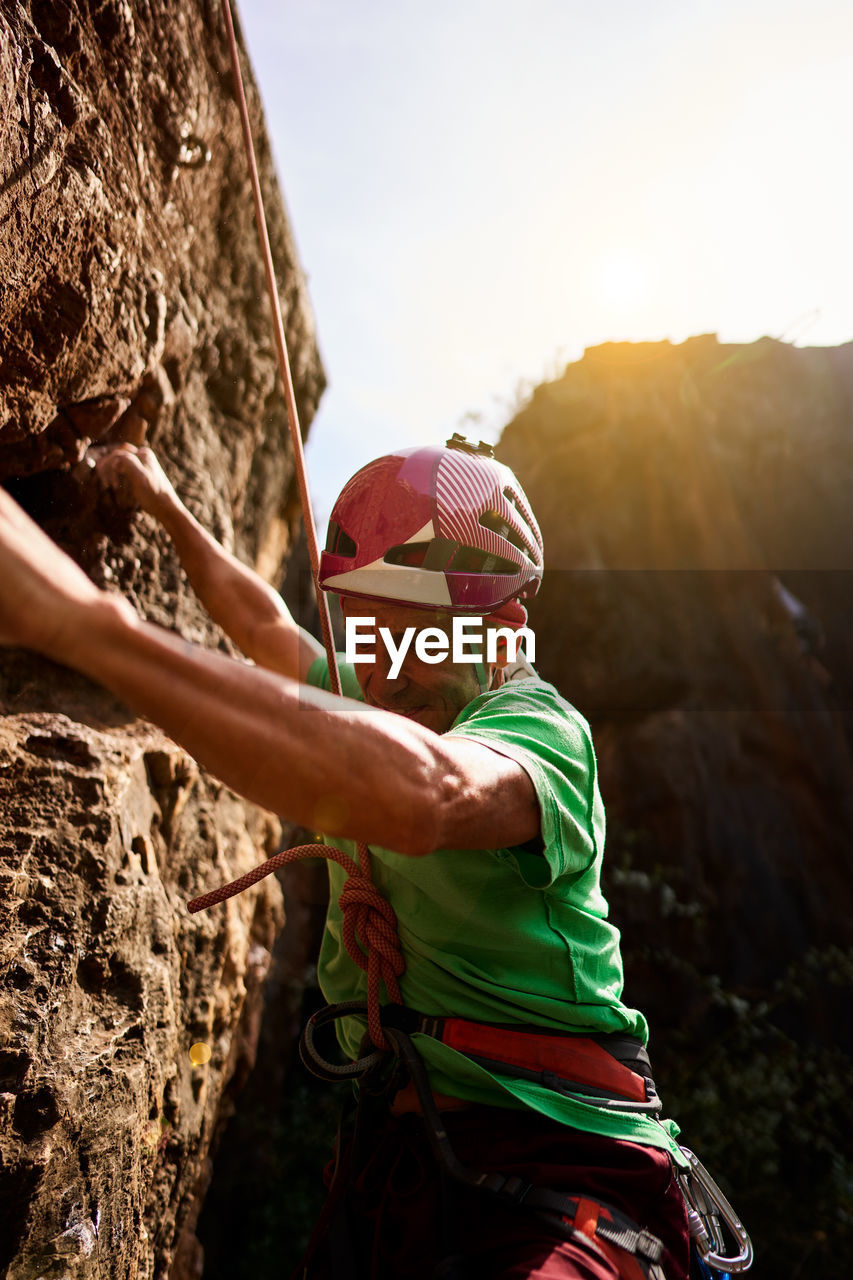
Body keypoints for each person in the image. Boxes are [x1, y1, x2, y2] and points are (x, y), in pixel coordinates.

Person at [0, 438, 691, 1280]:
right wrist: (161, 503)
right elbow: (262, 626)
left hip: (563, 1155)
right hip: (403, 1154)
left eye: (410, 636)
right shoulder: (389, 686)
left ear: (501, 627)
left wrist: (83, 627)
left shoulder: (540, 732)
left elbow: (428, 795)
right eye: (363, 632)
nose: (377, 671)